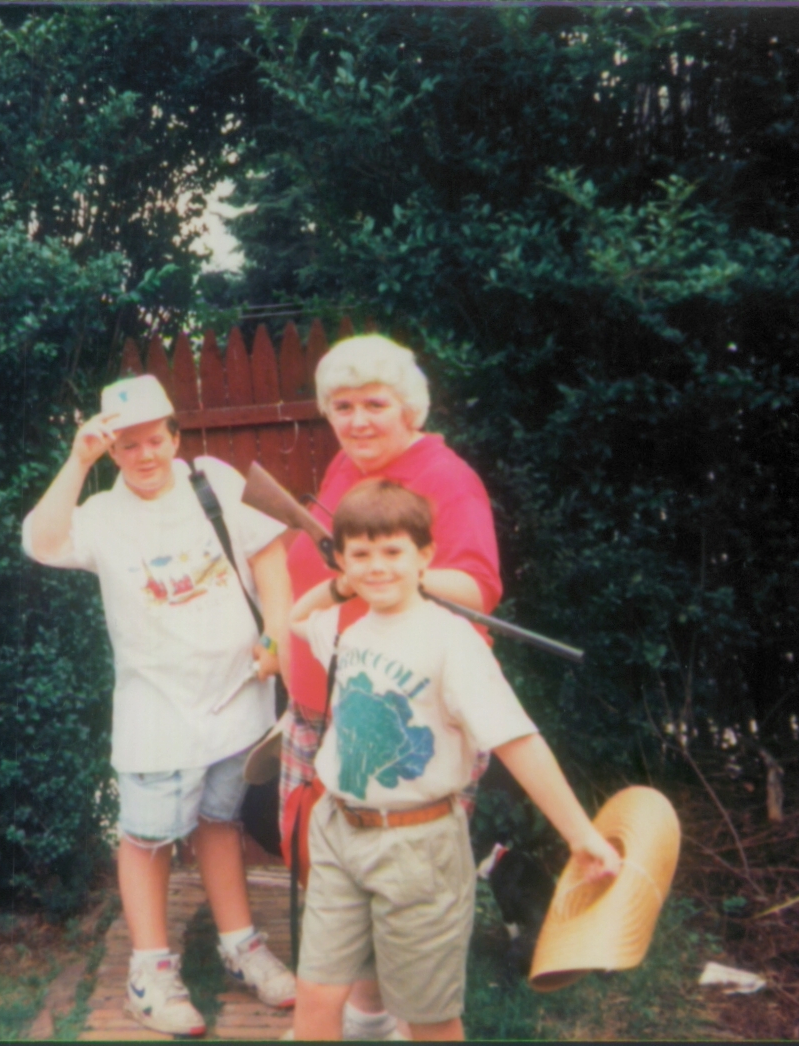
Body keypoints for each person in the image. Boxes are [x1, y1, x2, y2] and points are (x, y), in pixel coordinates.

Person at [289, 480, 620, 1041]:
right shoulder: (347, 630)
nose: (377, 567)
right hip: (338, 833)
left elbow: (517, 740)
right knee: (317, 993)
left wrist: (581, 835)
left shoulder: (452, 640)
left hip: (417, 847)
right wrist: (338, 586)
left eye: (392, 551)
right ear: (340, 559)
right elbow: (297, 617)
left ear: (426, 556)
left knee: (429, 1015)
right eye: (360, 554)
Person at [22, 374, 297, 1037]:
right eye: (128, 445)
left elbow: (269, 558)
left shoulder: (214, 482)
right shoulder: (100, 515)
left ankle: (241, 945)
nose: (144, 455)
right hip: (157, 711)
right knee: (147, 839)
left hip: (239, 697)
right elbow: (39, 542)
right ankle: (149, 974)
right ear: (111, 451)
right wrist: (77, 461)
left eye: (155, 440)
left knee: (220, 821)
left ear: (175, 436)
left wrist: (278, 638)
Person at [282, 335, 501, 1040]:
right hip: (329, 695)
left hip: (407, 710)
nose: (358, 420)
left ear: (409, 408)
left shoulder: (445, 477)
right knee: (334, 862)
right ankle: (369, 1014)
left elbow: (478, 588)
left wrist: (367, 574)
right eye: (342, 406)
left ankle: (407, 1018)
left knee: (406, 881)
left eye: (375, 404)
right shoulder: (348, 466)